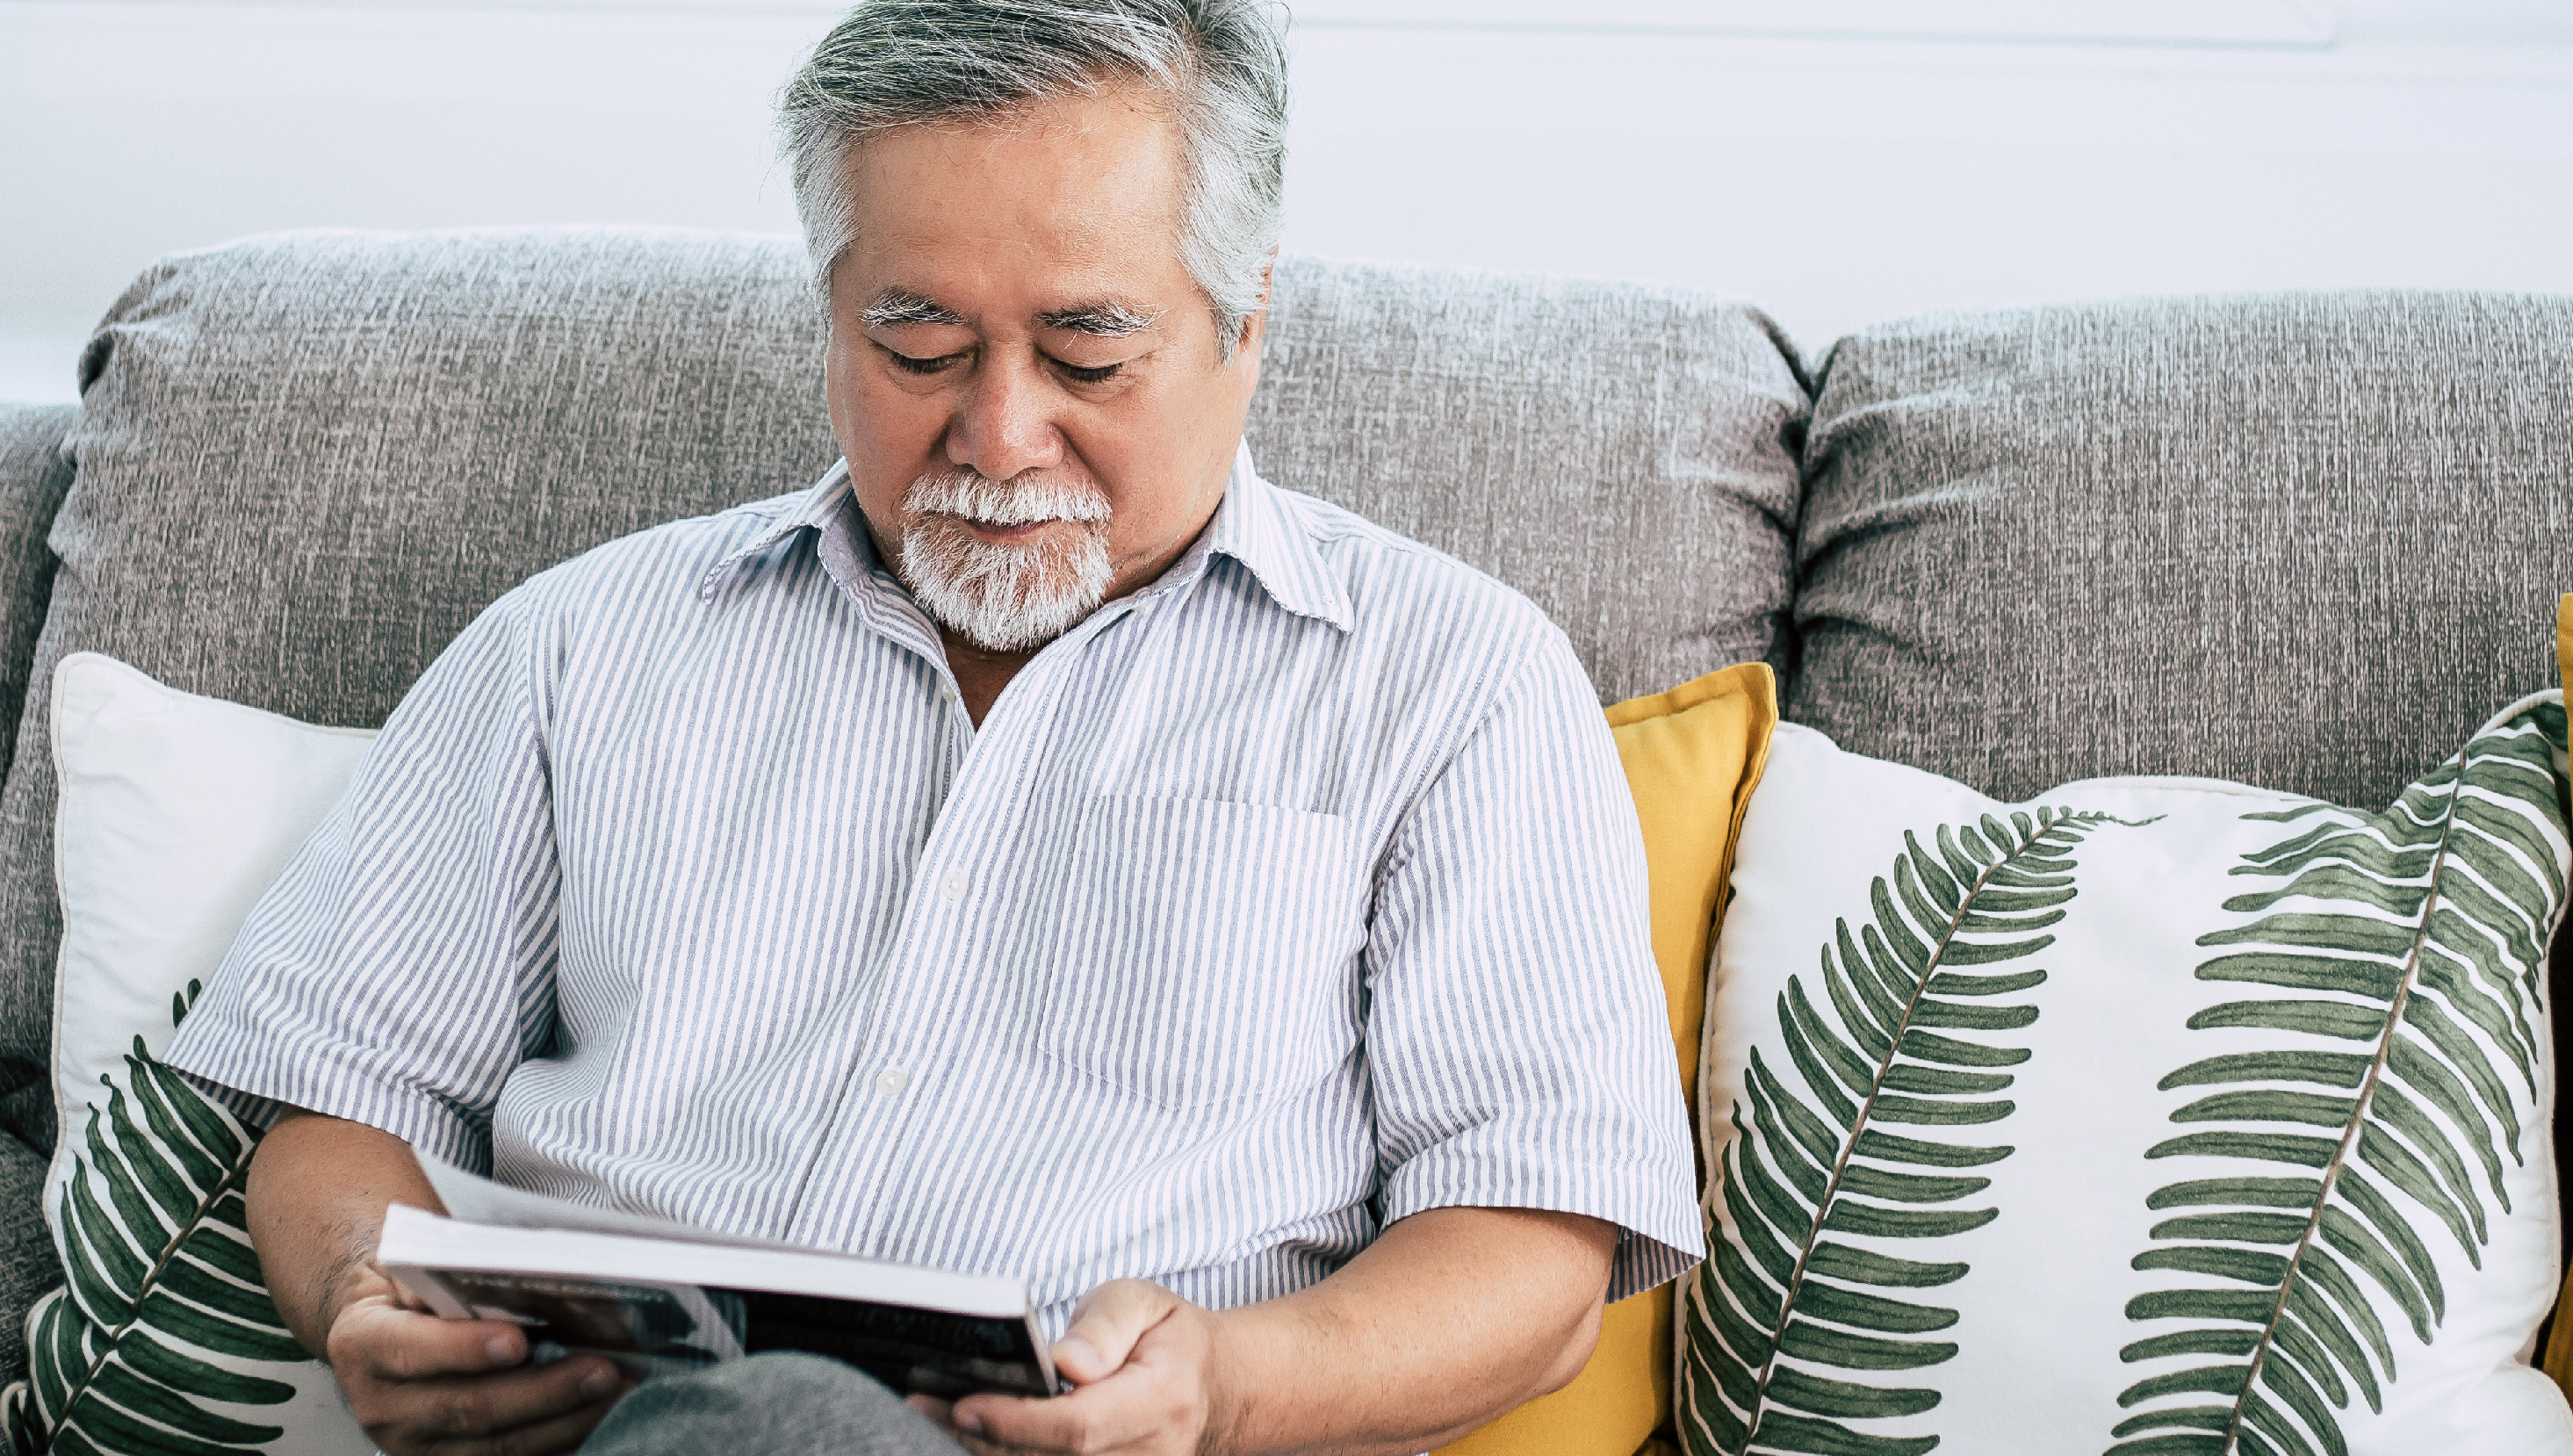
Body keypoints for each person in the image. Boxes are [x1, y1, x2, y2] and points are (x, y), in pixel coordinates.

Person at [162, 2, 1695, 1452]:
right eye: (919, 350)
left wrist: (1222, 1387)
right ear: (831, 312)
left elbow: (1533, 1238)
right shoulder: (579, 646)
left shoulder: (1450, 682)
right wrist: (361, 1291)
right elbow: (342, 1092)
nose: (1000, 435)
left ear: (1250, 319)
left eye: (1088, 355)